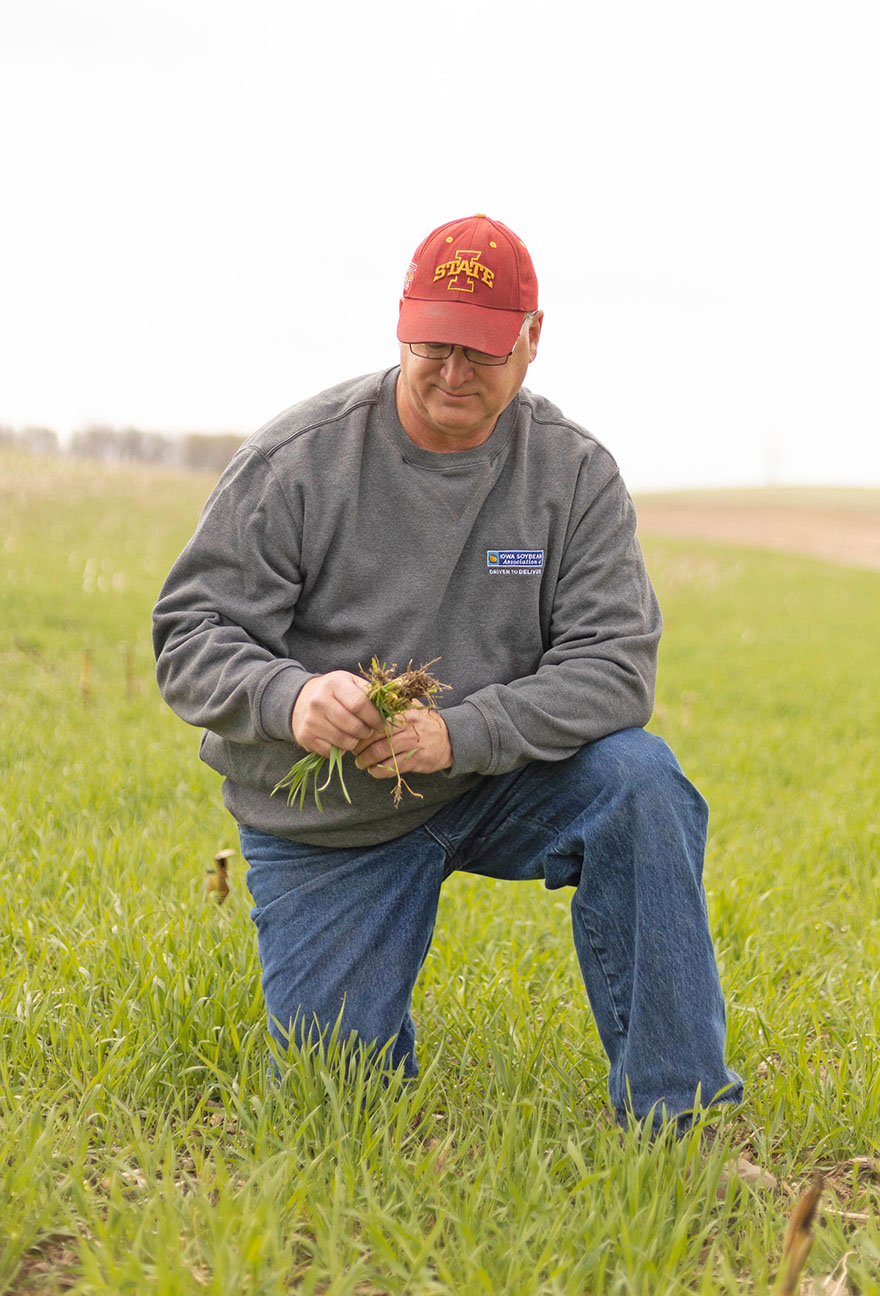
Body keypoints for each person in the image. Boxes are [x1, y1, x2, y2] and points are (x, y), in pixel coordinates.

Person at [153, 212, 743, 1133]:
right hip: (333, 820)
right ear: (400, 320)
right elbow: (190, 633)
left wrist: (460, 734)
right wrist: (293, 697)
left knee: (640, 782)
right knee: (336, 1112)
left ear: (533, 338)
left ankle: (679, 1119)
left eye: (482, 349)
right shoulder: (295, 463)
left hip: (494, 779)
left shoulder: (573, 475)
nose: (454, 373)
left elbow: (615, 665)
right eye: (435, 344)